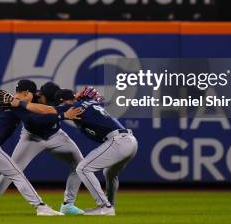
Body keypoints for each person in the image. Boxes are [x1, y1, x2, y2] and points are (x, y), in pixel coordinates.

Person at [9, 87, 138, 216]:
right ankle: (109, 205)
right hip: (130, 141)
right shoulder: (88, 104)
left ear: (64, 101)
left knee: (82, 168)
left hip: (118, 141)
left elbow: (47, 110)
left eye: (61, 103)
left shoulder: (75, 106)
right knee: (110, 173)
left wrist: (19, 103)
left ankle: (105, 206)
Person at [0, 82, 85, 216]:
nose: (54, 102)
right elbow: (35, 120)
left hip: (56, 135)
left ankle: (68, 204)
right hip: (31, 138)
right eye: (51, 100)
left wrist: (80, 98)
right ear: (40, 95)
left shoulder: (56, 95)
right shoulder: (26, 100)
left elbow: (71, 101)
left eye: (56, 100)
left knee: (80, 164)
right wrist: (62, 115)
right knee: (11, 169)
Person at [0, 81, 63, 216]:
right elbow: (36, 120)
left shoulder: (5, 101)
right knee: (16, 174)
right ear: (27, 93)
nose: (34, 96)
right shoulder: (17, 105)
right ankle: (41, 207)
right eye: (33, 94)